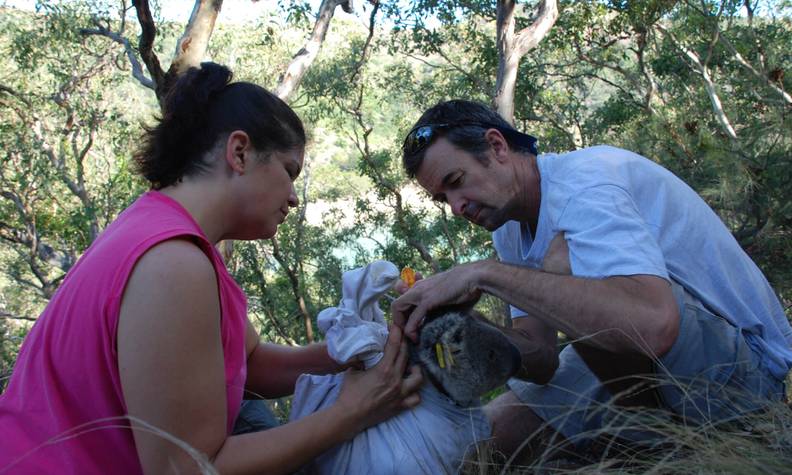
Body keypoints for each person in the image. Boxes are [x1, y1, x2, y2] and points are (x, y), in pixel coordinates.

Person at [0, 62, 422, 474]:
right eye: (289, 171)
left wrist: (356, 350)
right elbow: (186, 467)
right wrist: (354, 410)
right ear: (239, 152)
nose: (293, 197)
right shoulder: (173, 264)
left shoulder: (161, 231)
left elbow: (250, 362)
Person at [391, 99, 792, 460]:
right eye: (443, 199)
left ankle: (665, 443)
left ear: (497, 147)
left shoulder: (585, 184)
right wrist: (464, 322)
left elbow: (653, 325)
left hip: (746, 375)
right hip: (648, 367)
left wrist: (483, 273)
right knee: (482, 445)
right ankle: (654, 435)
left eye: (456, 181)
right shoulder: (508, 227)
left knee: (565, 264)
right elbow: (540, 360)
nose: (457, 206)